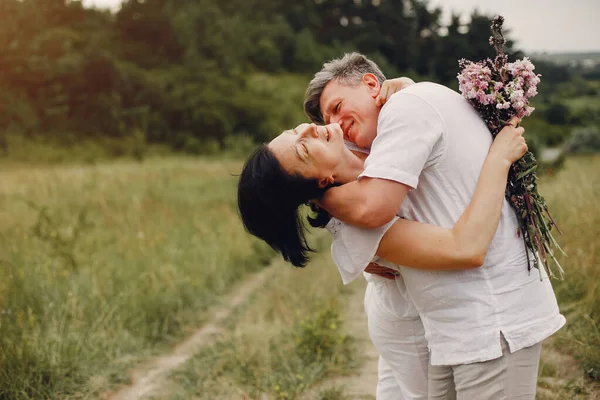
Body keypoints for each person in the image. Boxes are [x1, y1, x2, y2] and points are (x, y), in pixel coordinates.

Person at [301, 52, 565, 399]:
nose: (335, 124)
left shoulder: (405, 109)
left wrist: (306, 192)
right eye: (327, 119)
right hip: (453, 331)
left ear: (370, 84)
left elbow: (372, 207)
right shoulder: (386, 135)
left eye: (336, 107)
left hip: (490, 320)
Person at [238, 115, 530, 398]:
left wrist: (402, 87)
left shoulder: (356, 146)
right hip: (411, 330)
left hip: (428, 317)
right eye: (302, 148)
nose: (307, 129)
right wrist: (499, 159)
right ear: (322, 182)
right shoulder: (359, 222)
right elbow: (464, 248)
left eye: (293, 130)